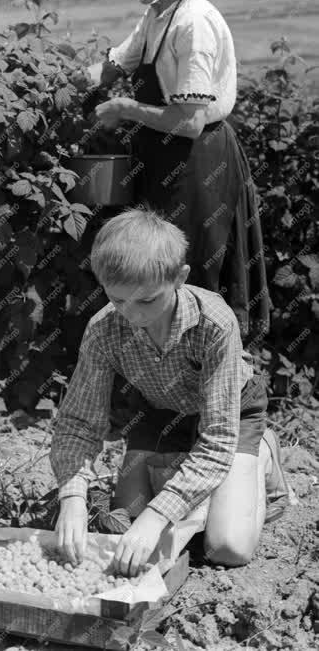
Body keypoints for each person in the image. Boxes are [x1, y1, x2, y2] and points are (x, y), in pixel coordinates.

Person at [50, 209, 290, 576]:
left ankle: (261, 451)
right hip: (160, 411)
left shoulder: (215, 324)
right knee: (126, 523)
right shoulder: (103, 330)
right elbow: (79, 423)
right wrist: (72, 498)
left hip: (230, 415)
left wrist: (159, 514)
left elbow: (216, 439)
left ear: (179, 278)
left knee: (227, 546)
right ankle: (197, 485)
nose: (131, 315)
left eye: (146, 301)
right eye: (117, 300)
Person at [86, 0, 268, 345]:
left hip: (196, 159)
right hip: (160, 153)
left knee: (193, 264)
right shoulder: (158, 14)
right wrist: (81, 78)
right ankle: (164, 365)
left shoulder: (194, 25)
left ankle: (210, 366)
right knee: (155, 263)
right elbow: (120, 60)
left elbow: (189, 121)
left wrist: (124, 107)